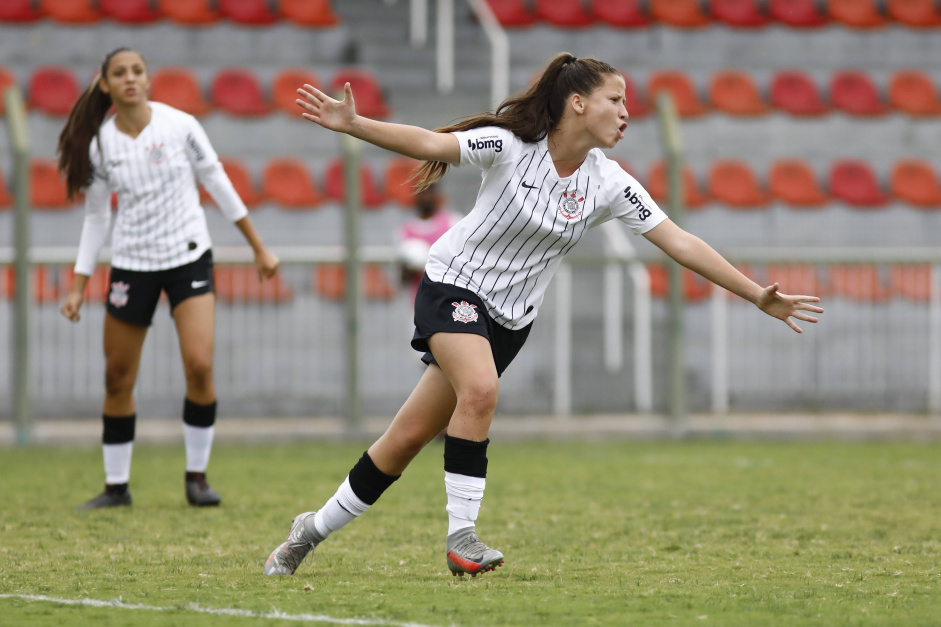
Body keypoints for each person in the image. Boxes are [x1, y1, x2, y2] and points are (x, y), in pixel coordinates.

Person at [264, 52, 823, 577]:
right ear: (577, 103)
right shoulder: (509, 144)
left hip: (510, 322)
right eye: (615, 100)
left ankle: (307, 532)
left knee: (405, 440)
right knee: (479, 390)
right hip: (452, 287)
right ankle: (463, 540)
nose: (626, 113)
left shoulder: (609, 182)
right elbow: (430, 144)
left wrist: (756, 295)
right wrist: (354, 125)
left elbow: (680, 242)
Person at [58, 48, 280, 509]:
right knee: (117, 376)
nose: (130, 79)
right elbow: (96, 218)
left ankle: (196, 478)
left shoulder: (180, 126)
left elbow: (217, 182)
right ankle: (116, 487)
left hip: (188, 258)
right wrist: (78, 286)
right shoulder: (99, 144)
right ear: (105, 85)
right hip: (133, 264)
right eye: (119, 73)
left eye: (137, 71)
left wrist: (258, 246)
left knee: (199, 365)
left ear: (149, 78)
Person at [396, 182, 461, 299]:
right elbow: (402, 278)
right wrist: (412, 268)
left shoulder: (453, 223)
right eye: (422, 193)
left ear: (437, 196)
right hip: (419, 302)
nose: (426, 197)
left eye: (429, 192)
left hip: (449, 298)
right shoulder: (405, 231)